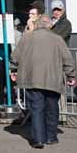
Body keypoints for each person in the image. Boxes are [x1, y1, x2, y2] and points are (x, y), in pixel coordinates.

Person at [10, 15, 76, 148]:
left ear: (38, 24)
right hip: (52, 80)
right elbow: (67, 59)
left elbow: (15, 57)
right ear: (50, 25)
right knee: (52, 108)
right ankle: (51, 137)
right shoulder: (58, 39)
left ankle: (38, 139)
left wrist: (13, 70)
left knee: (36, 109)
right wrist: (71, 76)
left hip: (32, 80)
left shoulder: (26, 38)